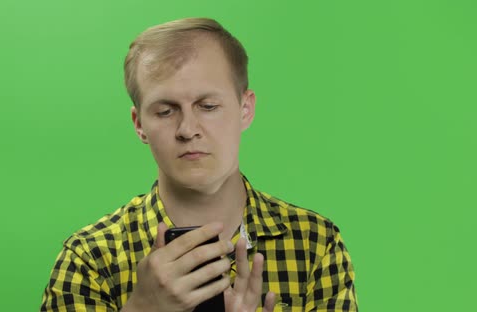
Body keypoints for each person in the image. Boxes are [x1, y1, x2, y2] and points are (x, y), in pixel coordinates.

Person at [40, 17, 357, 312]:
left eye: (207, 106)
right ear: (139, 125)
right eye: (165, 111)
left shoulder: (316, 244)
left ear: (245, 109)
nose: (188, 129)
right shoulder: (90, 258)